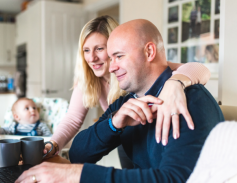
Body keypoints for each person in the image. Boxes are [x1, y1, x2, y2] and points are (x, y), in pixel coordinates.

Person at [15, 19, 223, 183]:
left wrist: (74, 175)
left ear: (149, 52)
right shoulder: (128, 101)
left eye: (118, 56)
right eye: (111, 58)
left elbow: (175, 179)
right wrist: (114, 124)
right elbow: (78, 153)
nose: (112, 67)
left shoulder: (188, 101)